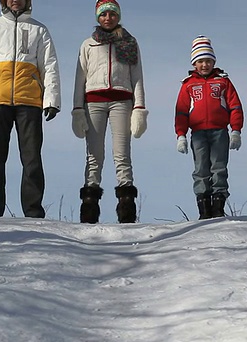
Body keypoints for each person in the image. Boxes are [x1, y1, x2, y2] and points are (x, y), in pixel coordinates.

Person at [0, 0, 61, 218]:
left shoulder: (39, 29)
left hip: (29, 101)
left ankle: (33, 211)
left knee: (32, 158)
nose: (15, 0)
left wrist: (51, 100)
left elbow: (49, 66)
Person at [71, 0, 148, 224]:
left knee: (122, 154)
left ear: (118, 17)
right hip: (93, 101)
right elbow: (79, 78)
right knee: (94, 154)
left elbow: (138, 77)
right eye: (103, 14)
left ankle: (126, 208)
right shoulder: (88, 44)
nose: (108, 18)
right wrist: (77, 109)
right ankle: (89, 206)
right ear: (98, 17)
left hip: (121, 101)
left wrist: (139, 107)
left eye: (112, 14)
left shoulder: (129, 42)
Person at [174, 35, 244, 219]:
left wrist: (235, 130)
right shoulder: (188, 85)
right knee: (201, 170)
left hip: (219, 132)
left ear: (213, 62)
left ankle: (218, 207)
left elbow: (235, 106)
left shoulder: (223, 82)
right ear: (194, 64)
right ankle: (204, 210)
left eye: (208, 61)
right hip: (197, 134)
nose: (204, 65)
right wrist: (181, 134)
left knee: (219, 168)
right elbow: (181, 111)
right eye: (200, 61)